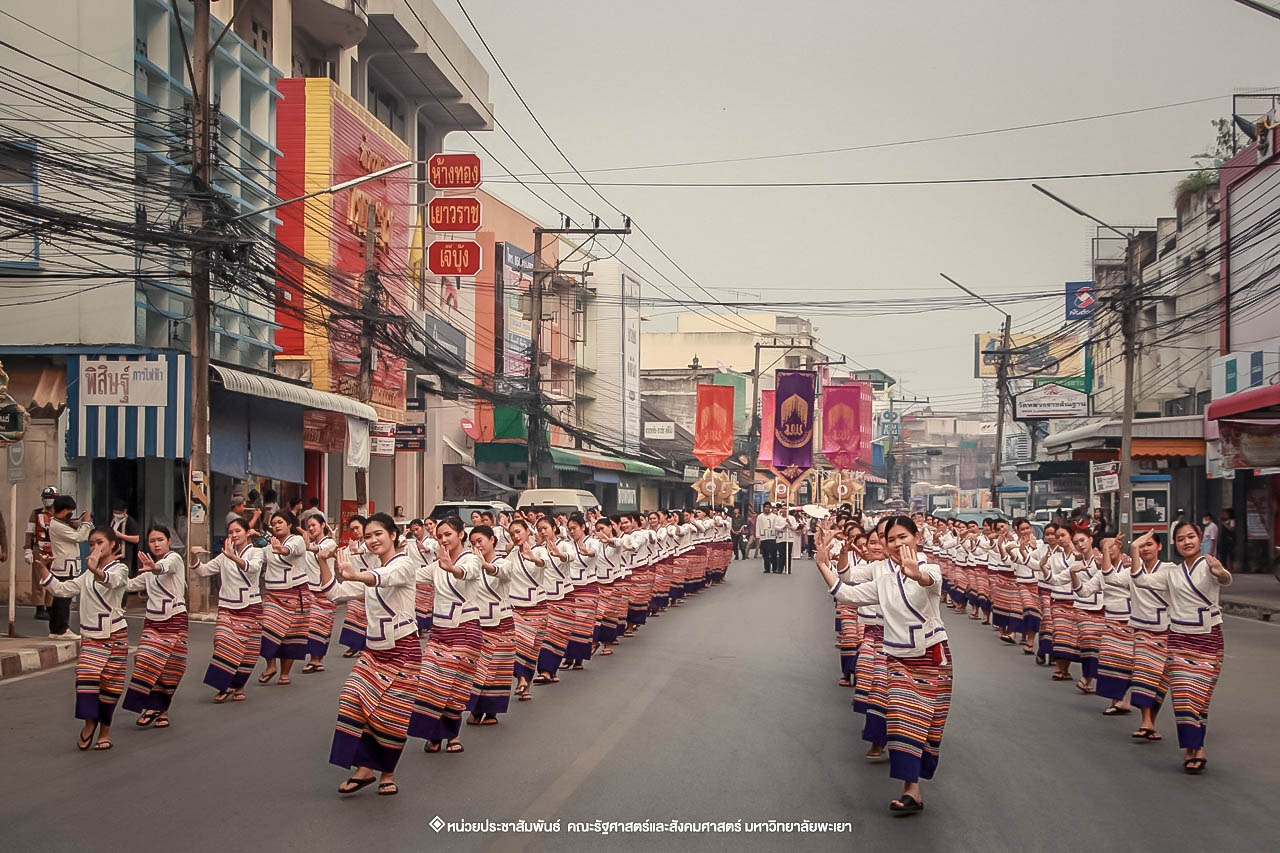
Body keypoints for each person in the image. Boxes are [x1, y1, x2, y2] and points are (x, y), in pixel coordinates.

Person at [815, 516, 950, 816]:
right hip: (898, 659)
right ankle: (910, 790)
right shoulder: (883, 578)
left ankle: (914, 783)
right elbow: (848, 594)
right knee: (903, 720)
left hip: (932, 657)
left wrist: (916, 574)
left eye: (903, 537)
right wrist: (822, 565)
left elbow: (930, 581)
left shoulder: (930, 568)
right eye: (892, 539)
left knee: (929, 728)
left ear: (916, 537)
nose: (898, 543)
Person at [320, 512, 419, 797]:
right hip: (374, 651)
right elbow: (335, 594)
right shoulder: (371, 568)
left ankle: (386, 774)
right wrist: (322, 562)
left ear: (393, 536)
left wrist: (356, 574)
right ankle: (364, 767)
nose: (373, 540)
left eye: (378, 534)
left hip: (403, 650)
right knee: (351, 697)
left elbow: (382, 578)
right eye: (368, 536)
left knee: (391, 716)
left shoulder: (404, 564)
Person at [1131, 524, 1231, 774]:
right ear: (1175, 544)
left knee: (1199, 698)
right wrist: (1134, 548)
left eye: (1191, 537)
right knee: (1184, 697)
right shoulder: (1172, 572)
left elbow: (1225, 578)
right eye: (1181, 539)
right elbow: (1141, 580)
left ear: (1200, 539)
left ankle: (1196, 747)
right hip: (1178, 640)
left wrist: (1220, 572)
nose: (1186, 542)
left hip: (1208, 640)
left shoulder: (1209, 564)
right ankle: (1194, 748)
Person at [40, 525, 129, 751]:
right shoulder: (87, 574)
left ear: (113, 545)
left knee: (111, 687)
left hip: (115, 636)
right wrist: (42, 569)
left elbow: (111, 581)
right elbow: (61, 590)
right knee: (86, 680)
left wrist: (96, 570)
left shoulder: (121, 569)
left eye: (100, 542)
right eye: (91, 544)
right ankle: (90, 724)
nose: (95, 547)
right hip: (91, 637)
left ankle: (105, 732)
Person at [411, 516, 486, 754]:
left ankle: (450, 734)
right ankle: (436, 733)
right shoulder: (435, 565)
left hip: (466, 630)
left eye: (448, 535)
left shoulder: (472, 559)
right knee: (431, 682)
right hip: (439, 632)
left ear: (461, 534)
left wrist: (451, 568)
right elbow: (411, 576)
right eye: (440, 536)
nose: (443, 540)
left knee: (456, 686)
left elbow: (468, 572)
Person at [121, 525, 188, 728]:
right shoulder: (149, 570)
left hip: (175, 618)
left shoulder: (173, 559)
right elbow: (130, 585)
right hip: (152, 621)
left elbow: (164, 567)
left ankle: (162, 710)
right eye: (152, 541)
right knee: (144, 659)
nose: (156, 544)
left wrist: (155, 568)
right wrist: (104, 575)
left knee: (170, 667)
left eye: (160, 540)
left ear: (169, 541)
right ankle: (152, 705)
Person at [193, 518, 265, 702]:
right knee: (222, 642)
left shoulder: (257, 552)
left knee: (247, 650)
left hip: (250, 606)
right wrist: (194, 557)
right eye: (231, 532)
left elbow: (253, 568)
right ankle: (223, 685)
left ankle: (237, 685)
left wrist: (233, 557)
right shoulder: (224, 555)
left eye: (238, 531)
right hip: (226, 606)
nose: (234, 535)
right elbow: (203, 571)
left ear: (248, 532)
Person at [465, 525, 516, 726]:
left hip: (501, 622)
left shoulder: (504, 561)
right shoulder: (470, 565)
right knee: (477, 668)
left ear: (492, 540)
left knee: (496, 669)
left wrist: (483, 565)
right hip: (478, 622)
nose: (477, 546)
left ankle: (492, 711)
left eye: (480, 541)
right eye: (473, 543)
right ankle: (477, 709)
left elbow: (502, 572)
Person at [1127, 530, 1172, 743]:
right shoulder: (1132, 570)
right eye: (1141, 546)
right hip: (1142, 630)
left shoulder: (1170, 570)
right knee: (1143, 674)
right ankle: (1145, 721)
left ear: (1159, 547)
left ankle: (1150, 722)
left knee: (1160, 681)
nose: (1145, 549)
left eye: (1149, 545)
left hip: (1166, 630)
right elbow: (1110, 576)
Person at [258, 511, 310, 685]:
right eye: (274, 523)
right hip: (273, 594)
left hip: (295, 592)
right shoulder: (267, 546)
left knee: (292, 635)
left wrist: (282, 549)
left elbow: (292, 550)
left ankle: (285, 674)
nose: (277, 525)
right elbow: (256, 561)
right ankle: (271, 665)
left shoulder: (297, 540)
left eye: (280, 522)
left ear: (289, 525)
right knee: (268, 628)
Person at [46, 495, 92, 639]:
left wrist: (77, 523)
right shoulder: (57, 525)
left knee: (60, 599)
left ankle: (55, 630)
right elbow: (79, 537)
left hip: (67, 565)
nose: (71, 513)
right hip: (64, 565)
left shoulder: (61, 523)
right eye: (69, 510)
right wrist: (86, 523)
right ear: (64, 509)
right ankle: (62, 629)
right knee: (63, 599)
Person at [302, 514, 339, 674]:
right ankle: (315, 659)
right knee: (312, 625)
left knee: (322, 625)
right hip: (310, 590)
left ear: (323, 525)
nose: (311, 528)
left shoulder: (329, 543)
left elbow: (321, 550)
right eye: (308, 526)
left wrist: (308, 546)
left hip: (326, 590)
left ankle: (316, 659)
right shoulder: (308, 544)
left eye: (313, 525)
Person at [338, 516, 371, 657]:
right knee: (354, 613)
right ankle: (354, 645)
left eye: (357, 528)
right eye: (352, 529)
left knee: (371, 616)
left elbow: (366, 550)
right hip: (356, 584)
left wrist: (358, 551)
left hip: (371, 582)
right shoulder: (352, 545)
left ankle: (369, 646)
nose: (355, 531)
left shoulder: (371, 542)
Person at [24, 485, 58, 620]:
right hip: (40, 549)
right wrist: (28, 549)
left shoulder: (60, 514)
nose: (47, 501)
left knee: (52, 578)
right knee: (38, 579)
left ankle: (49, 607)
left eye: (50, 498)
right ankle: (39, 608)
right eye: (45, 498)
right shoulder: (36, 513)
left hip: (55, 550)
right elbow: (29, 532)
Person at [109, 500, 141, 575]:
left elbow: (137, 539)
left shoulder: (130, 521)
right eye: (115, 513)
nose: (117, 515)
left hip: (124, 555)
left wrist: (120, 535)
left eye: (119, 513)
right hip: (113, 553)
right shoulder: (113, 520)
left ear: (125, 511)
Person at [756, 503, 780, 574]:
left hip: (772, 536)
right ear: (763, 508)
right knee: (765, 554)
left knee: (773, 553)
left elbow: (777, 526)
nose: (767, 508)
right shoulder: (760, 516)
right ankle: (767, 568)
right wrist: (758, 536)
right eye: (766, 507)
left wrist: (777, 536)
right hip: (764, 537)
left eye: (768, 507)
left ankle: (775, 568)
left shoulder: (774, 516)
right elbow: (758, 526)